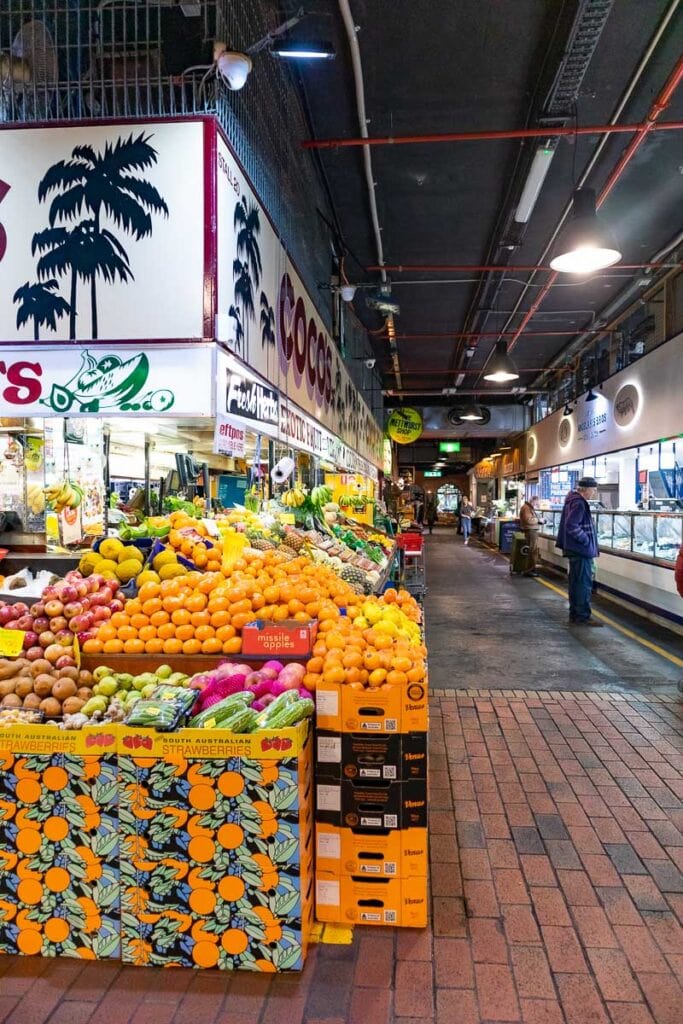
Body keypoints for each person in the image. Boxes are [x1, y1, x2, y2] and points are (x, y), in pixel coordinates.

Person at [556, 476, 603, 627]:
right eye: (593, 490)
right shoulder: (579, 503)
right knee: (583, 584)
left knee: (576, 584)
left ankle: (575, 614)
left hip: (574, 550)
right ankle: (582, 616)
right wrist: (586, 541)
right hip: (580, 551)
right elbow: (572, 525)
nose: (594, 493)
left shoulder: (572, 500)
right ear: (586, 489)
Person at [519, 495, 544, 577]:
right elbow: (528, 520)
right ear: (533, 501)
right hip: (531, 531)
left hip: (531, 531)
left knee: (533, 550)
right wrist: (539, 520)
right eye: (537, 502)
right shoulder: (526, 508)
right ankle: (529, 570)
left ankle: (531, 569)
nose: (537, 504)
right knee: (532, 551)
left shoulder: (528, 507)